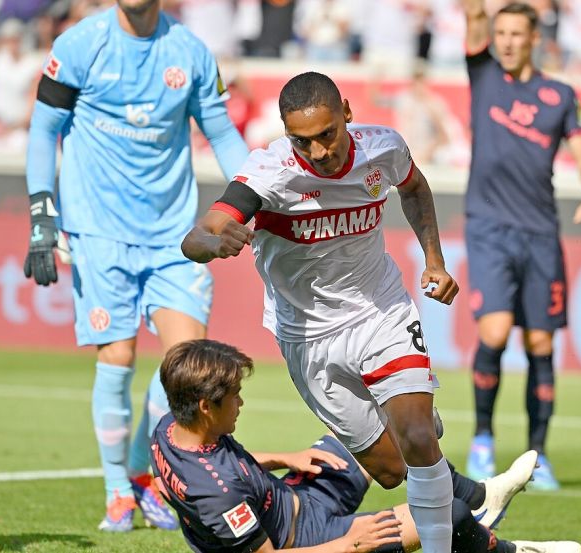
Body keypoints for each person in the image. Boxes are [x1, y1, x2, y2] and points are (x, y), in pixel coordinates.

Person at [181, 71, 460, 552]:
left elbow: (414, 188)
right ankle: (414, 426)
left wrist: (434, 259)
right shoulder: (269, 175)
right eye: (302, 141)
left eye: (327, 135)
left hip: (380, 311)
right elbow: (198, 235)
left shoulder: (383, 148)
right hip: (308, 336)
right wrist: (214, 240)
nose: (318, 152)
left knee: (416, 436)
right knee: (393, 471)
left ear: (347, 113)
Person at [22, 0, 249, 532]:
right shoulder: (80, 45)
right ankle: (116, 492)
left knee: (185, 362)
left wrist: (259, 197)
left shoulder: (190, 51)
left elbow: (221, 133)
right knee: (118, 356)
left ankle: (146, 476)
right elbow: (41, 130)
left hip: (174, 235)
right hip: (98, 231)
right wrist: (41, 213)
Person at [152, 338, 581, 553]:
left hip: (296, 493)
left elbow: (201, 475)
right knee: (444, 516)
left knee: (377, 429)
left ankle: (481, 496)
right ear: (207, 406)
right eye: (234, 397)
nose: (241, 402)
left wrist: (282, 458)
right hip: (311, 539)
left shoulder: (172, 426)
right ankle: (511, 550)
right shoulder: (218, 492)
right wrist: (348, 544)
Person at [461, 0, 581, 490]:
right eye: (500, 32)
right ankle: (482, 438)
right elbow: (473, 23)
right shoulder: (482, 75)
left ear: (533, 39)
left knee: (541, 343)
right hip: (488, 229)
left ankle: (538, 454)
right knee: (496, 331)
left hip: (540, 234)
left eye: (515, 34)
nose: (505, 41)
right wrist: (475, 14)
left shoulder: (560, 95)